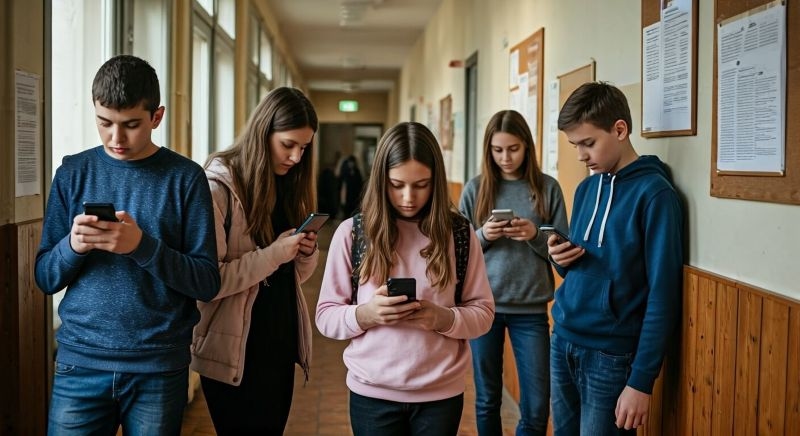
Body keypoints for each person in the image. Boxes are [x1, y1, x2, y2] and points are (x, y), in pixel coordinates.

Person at [35, 54, 220, 434]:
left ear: (157, 117)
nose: (115, 138)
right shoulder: (73, 171)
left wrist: (141, 246)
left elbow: (206, 282)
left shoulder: (186, 178)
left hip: (158, 366)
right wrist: (73, 246)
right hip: (80, 363)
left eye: (131, 125)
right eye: (104, 123)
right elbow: (44, 277)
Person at [315, 122, 495, 436]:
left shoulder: (461, 235)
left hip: (440, 395)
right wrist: (365, 314)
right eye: (396, 184)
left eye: (421, 184)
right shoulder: (353, 233)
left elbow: (483, 315)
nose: (408, 197)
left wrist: (444, 318)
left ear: (436, 181)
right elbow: (325, 317)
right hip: (372, 393)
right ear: (380, 180)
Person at [548, 82, 683, 435]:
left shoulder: (655, 195)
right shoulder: (585, 189)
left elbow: (663, 294)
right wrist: (557, 257)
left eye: (587, 143)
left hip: (610, 356)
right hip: (562, 339)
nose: (580, 154)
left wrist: (641, 381)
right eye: (574, 145)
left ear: (619, 129)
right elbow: (576, 270)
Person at [190, 86, 320, 435]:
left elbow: (291, 276)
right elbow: (209, 283)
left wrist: (304, 254)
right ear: (264, 132)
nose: (295, 157)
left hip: (278, 341)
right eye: (288, 145)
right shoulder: (217, 187)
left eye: (303, 148)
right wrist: (277, 252)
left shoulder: (288, 184)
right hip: (233, 347)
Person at [459, 110, 568, 436]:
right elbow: (457, 252)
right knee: (487, 399)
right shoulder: (476, 189)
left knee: (536, 407)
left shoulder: (547, 188)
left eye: (513, 148)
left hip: (531, 310)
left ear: (527, 147)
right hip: (483, 308)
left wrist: (534, 235)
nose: (506, 157)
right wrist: (484, 237)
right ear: (488, 150)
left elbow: (562, 255)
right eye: (498, 150)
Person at [338, 154, 364, 218]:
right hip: (347, 194)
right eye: (350, 162)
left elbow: (360, 183)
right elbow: (341, 182)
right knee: (346, 211)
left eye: (352, 162)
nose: (351, 164)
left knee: (354, 210)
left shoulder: (357, 171)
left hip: (355, 195)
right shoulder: (345, 171)